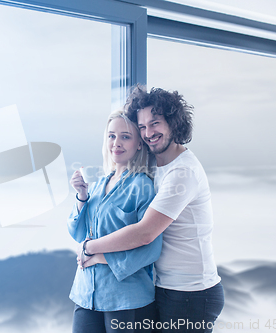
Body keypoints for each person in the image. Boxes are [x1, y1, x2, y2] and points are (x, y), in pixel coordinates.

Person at [81, 86, 224, 333]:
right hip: (163, 287)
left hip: (191, 293)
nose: (148, 133)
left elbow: (144, 233)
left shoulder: (182, 172)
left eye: (155, 123)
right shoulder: (154, 163)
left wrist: (89, 247)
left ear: (174, 123)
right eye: (143, 126)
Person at [68, 110, 163, 333]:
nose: (116, 143)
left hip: (127, 299)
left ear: (139, 144)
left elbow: (151, 247)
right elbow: (78, 233)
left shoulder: (143, 187)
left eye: (125, 136)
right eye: (111, 136)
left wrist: (101, 258)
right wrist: (82, 195)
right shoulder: (99, 184)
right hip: (86, 293)